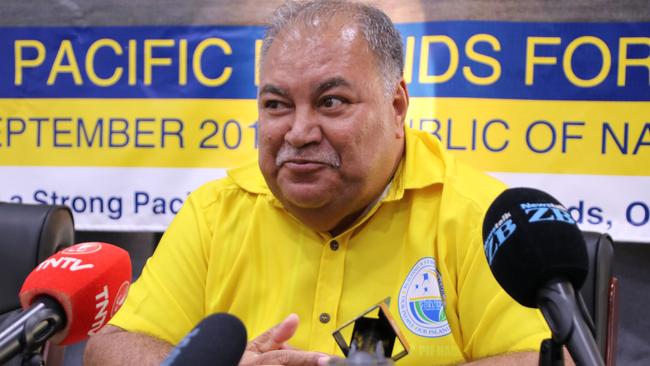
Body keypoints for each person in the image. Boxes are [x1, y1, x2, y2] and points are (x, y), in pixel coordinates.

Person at [84, 0, 552, 365]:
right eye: (276, 105)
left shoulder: (481, 217)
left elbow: (548, 360)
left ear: (397, 107)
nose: (299, 132)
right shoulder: (215, 211)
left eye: (331, 102)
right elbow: (111, 348)